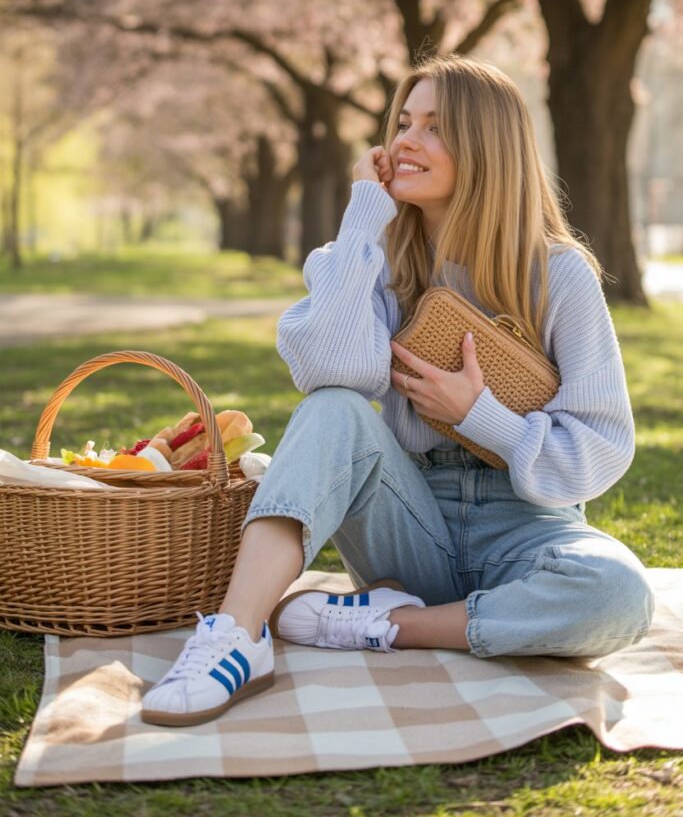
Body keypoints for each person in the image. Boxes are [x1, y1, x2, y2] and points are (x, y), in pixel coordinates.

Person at [141, 53, 654, 727]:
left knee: (618, 595)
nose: (405, 141)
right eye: (404, 122)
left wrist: (480, 416)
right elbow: (331, 371)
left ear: (486, 147)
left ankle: (393, 626)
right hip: (407, 523)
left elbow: (601, 451)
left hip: (524, 528)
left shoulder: (558, 274)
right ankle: (236, 638)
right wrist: (362, 220)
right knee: (332, 408)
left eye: (434, 128)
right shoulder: (365, 257)